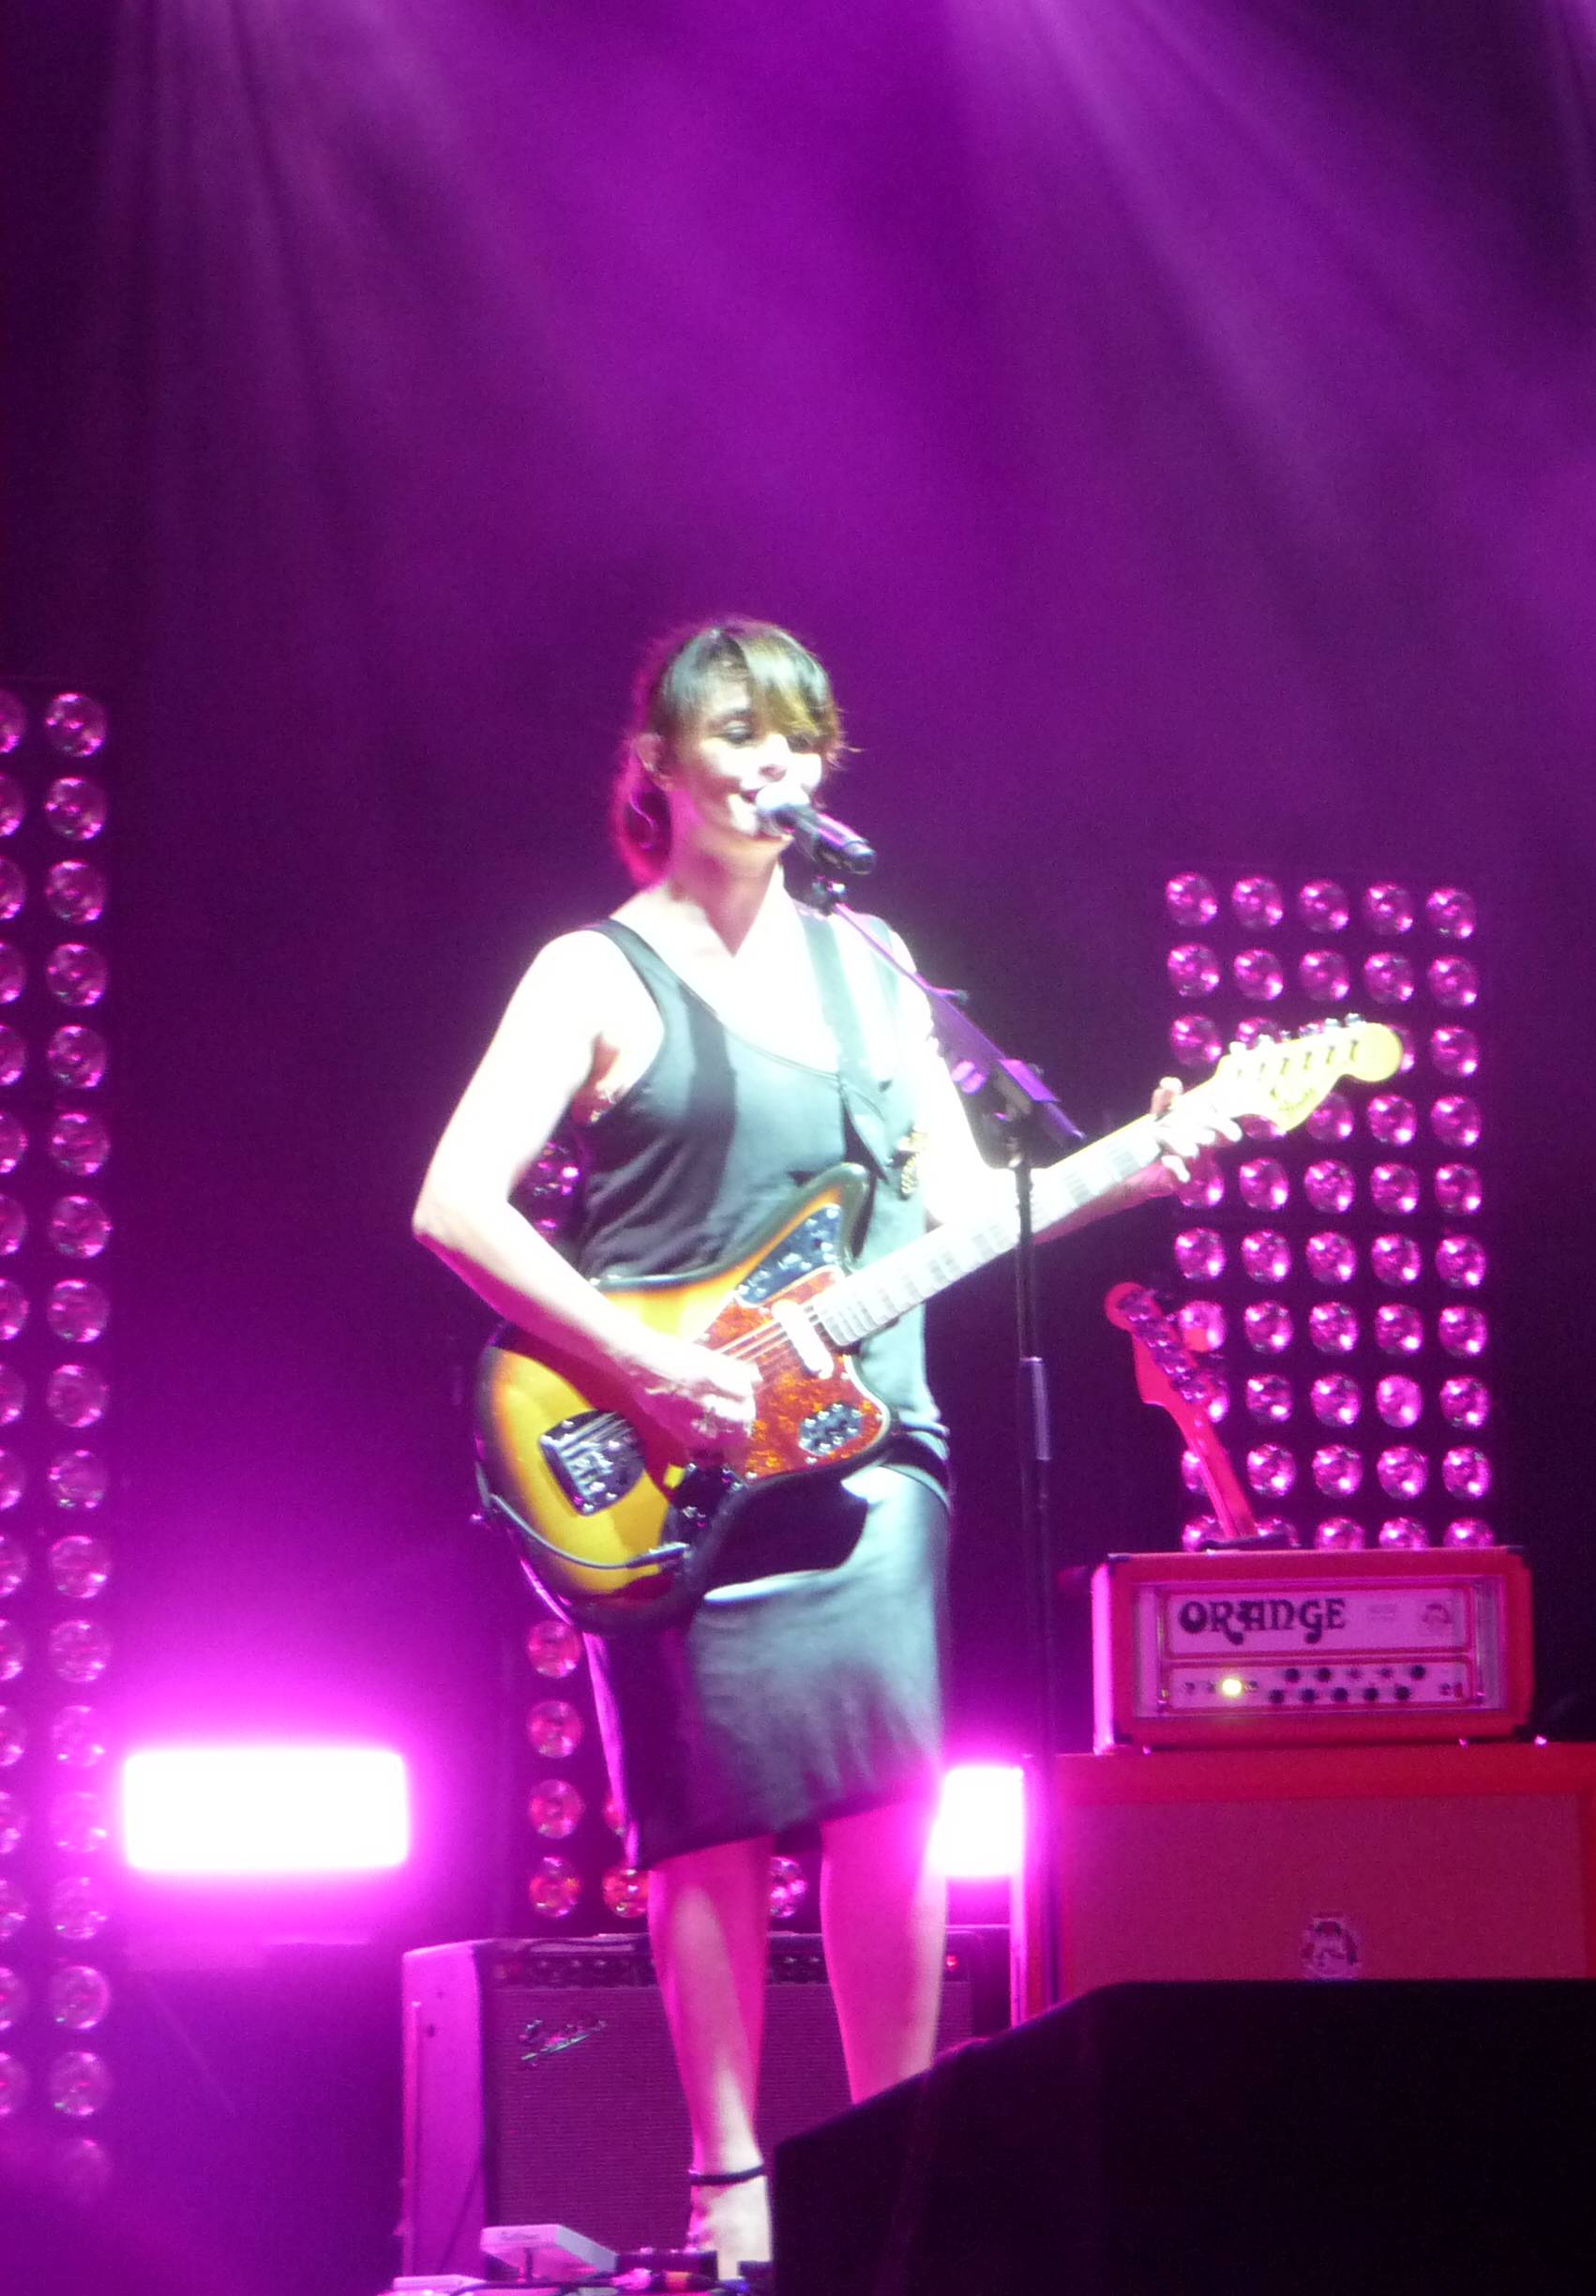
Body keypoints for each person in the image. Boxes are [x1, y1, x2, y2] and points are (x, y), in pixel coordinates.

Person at [414, 619, 1227, 2271]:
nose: (771, 763)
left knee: (893, 1802)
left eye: (797, 736)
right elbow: (453, 1205)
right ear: (658, 764)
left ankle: (894, 2164)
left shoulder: (873, 964)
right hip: (662, 1438)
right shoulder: (591, 973)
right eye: (736, 733)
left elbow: (957, 1206)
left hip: (866, 1437)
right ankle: (728, 2188)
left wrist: (1124, 1170)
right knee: (702, 1821)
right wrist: (645, 1364)